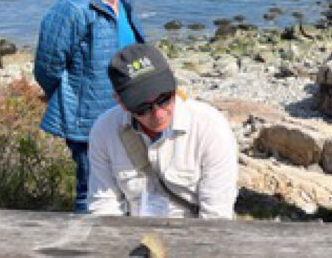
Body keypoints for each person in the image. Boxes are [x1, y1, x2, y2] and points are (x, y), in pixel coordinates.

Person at [34, 0, 146, 213]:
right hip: (88, 121)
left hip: (128, 112)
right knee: (93, 193)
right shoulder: (71, 10)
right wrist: (72, 98)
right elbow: (47, 68)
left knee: (130, 187)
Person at [85, 44, 239, 218]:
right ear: (120, 102)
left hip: (195, 234)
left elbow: (216, 215)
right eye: (143, 107)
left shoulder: (210, 128)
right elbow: (104, 206)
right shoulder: (104, 131)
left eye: (164, 99)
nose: (158, 114)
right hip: (131, 233)